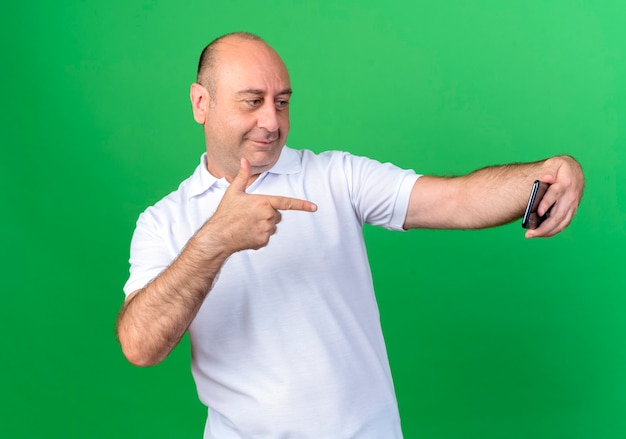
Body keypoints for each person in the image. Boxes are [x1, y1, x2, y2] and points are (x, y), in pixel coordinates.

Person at [116, 31, 584, 438]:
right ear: (202, 103)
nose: (272, 121)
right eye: (252, 101)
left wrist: (546, 173)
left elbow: (457, 200)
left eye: (282, 102)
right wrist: (216, 238)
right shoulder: (164, 222)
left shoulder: (335, 176)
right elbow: (141, 345)